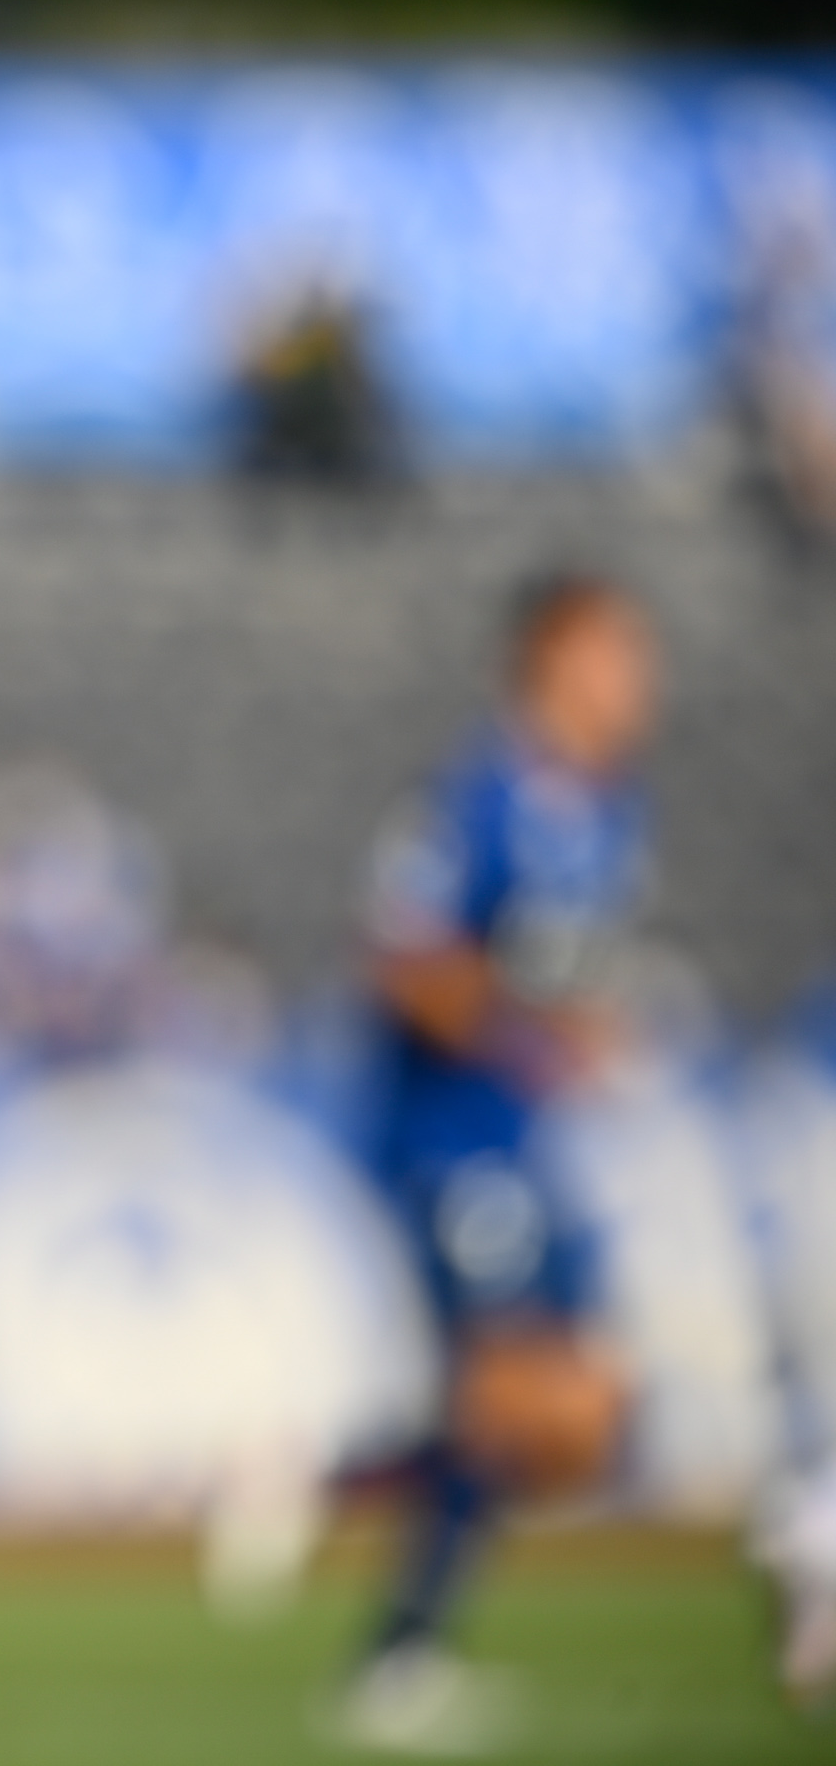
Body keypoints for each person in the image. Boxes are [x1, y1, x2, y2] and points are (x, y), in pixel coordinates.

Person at [333, 574, 651, 1755]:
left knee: (581, 1422)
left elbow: (562, 973)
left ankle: (326, 1484)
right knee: (520, 1396)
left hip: (524, 1138)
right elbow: (406, 959)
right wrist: (531, 1033)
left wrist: (586, 1033)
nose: (638, 681)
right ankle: (397, 1657)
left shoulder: (614, 805)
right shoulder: (476, 796)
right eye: (617, 653)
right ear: (553, 661)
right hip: (448, 1139)